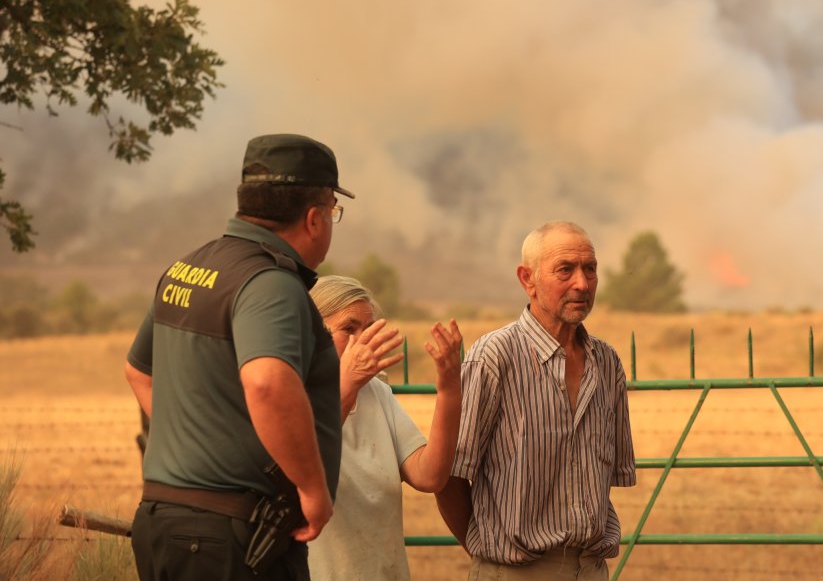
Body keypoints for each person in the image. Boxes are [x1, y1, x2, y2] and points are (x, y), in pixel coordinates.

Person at [125, 134, 351, 580]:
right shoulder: (271, 284)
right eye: (333, 211)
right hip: (231, 538)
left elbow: (138, 372)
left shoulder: (189, 267)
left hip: (163, 520)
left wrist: (199, 444)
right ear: (314, 218)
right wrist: (312, 488)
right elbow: (267, 383)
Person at [435, 220, 637, 580]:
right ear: (527, 279)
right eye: (565, 270)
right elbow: (449, 476)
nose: (582, 283)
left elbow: (605, 477)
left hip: (591, 570)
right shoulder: (496, 356)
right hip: (516, 571)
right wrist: (494, 558)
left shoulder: (607, 363)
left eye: (590, 269)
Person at [306, 275, 463, 580]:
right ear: (311, 332)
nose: (363, 339)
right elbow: (303, 457)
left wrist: (449, 391)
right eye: (349, 329)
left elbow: (429, 475)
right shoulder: (293, 393)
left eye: (369, 329)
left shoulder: (376, 392)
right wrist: (347, 382)